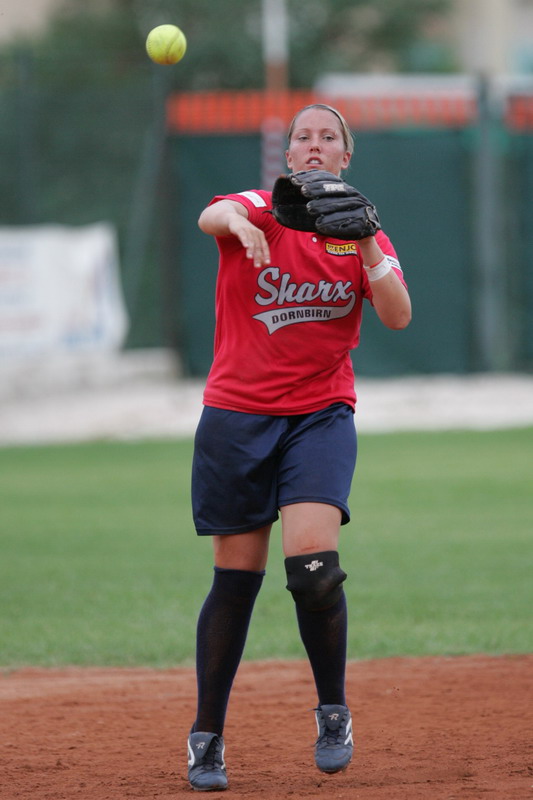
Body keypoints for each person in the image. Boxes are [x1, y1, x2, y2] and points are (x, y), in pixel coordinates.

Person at [187, 103, 412, 791]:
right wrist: (238, 227)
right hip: (236, 417)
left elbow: (398, 316)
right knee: (235, 582)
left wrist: (367, 244)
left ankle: (333, 711)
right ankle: (206, 736)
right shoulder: (258, 210)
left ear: (345, 156)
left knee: (313, 572)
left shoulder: (363, 236)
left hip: (319, 415)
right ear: (287, 156)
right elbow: (214, 215)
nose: (314, 145)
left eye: (327, 137)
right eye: (302, 137)